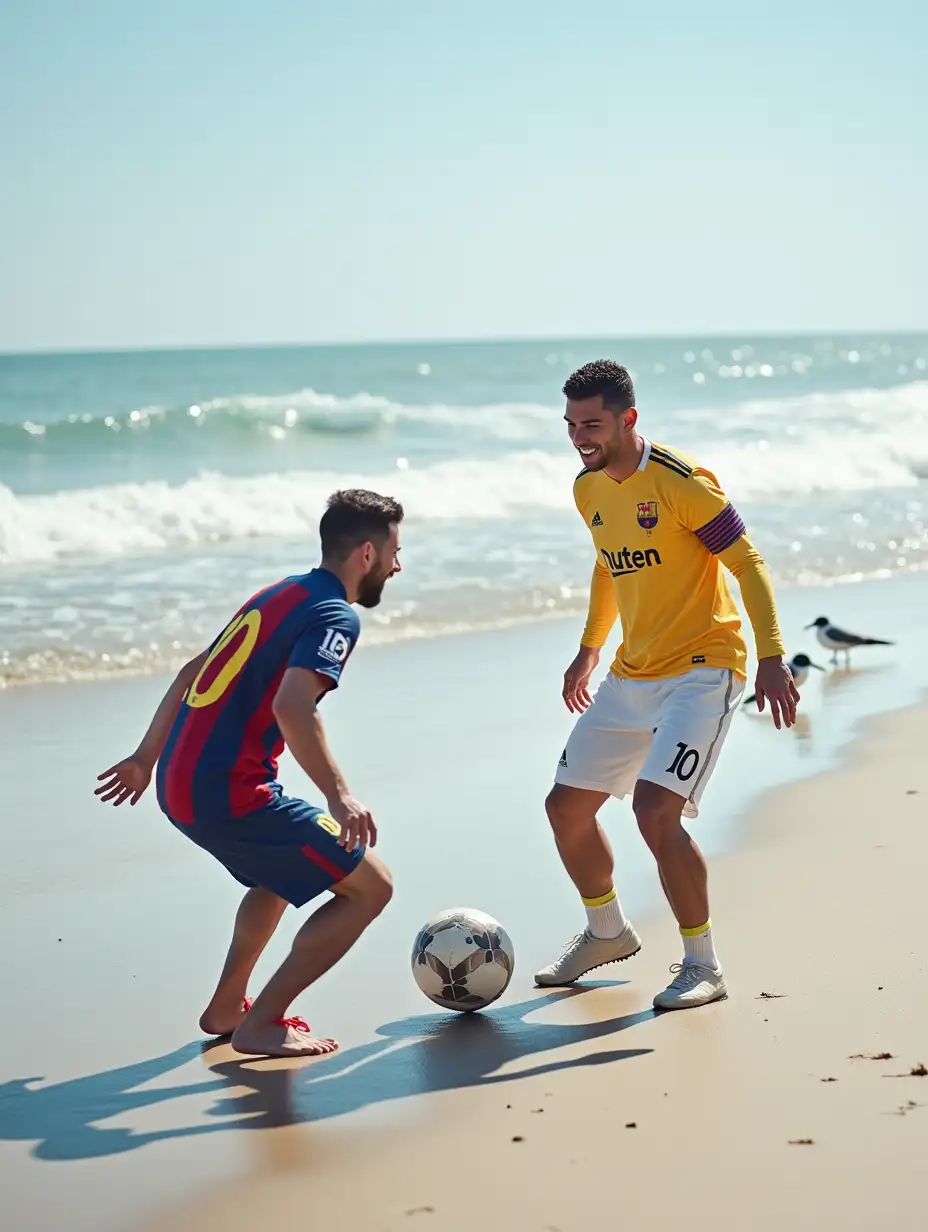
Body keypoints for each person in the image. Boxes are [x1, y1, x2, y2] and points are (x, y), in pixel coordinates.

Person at [95, 488, 403, 1057]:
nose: (396, 564)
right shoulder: (335, 615)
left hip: (181, 784)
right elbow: (293, 707)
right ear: (366, 554)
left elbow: (195, 668)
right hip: (228, 794)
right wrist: (339, 797)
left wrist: (147, 757)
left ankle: (226, 1007)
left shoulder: (283, 591)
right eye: (393, 552)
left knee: (279, 874)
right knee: (371, 888)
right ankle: (264, 1022)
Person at [534, 360, 798, 1010]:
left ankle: (703, 965)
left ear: (628, 418)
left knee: (656, 811)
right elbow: (607, 566)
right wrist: (588, 649)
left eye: (591, 424)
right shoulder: (588, 488)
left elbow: (747, 563)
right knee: (565, 809)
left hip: (704, 669)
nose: (579, 437)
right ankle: (606, 932)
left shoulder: (683, 483)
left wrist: (772, 656)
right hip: (633, 671)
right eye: (570, 425)